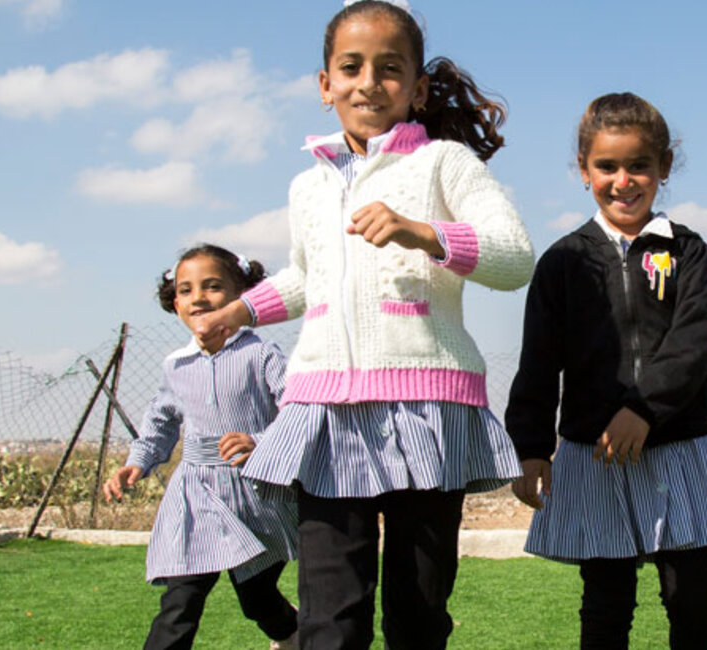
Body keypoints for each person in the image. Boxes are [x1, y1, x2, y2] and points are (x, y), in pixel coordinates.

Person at [189, 2, 532, 647]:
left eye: (389, 68)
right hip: (326, 416)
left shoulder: (443, 165)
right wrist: (237, 311)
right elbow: (304, 276)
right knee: (329, 619)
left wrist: (423, 232)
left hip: (426, 412)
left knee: (417, 614)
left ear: (418, 88)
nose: (368, 82)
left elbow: (515, 257)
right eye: (350, 67)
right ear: (325, 85)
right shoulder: (307, 187)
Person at [506, 92, 707, 650]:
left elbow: (693, 343)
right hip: (595, 456)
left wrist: (643, 409)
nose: (624, 180)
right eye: (606, 166)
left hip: (680, 448)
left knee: (691, 595)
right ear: (584, 169)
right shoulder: (563, 261)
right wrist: (532, 446)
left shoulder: (688, 251)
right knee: (607, 603)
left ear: (663, 167)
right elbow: (538, 362)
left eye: (639, 165)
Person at [103, 244, 301, 650]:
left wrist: (259, 442)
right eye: (187, 289)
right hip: (194, 494)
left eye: (213, 286)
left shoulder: (261, 355)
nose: (199, 298)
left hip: (255, 496)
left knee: (257, 599)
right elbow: (160, 422)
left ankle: (293, 636)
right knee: (182, 597)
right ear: (175, 302)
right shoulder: (175, 365)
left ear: (243, 295)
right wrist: (137, 462)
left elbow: (297, 413)